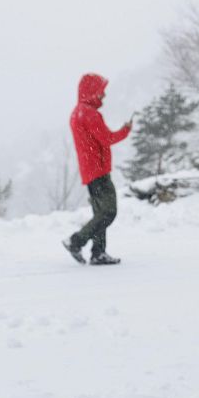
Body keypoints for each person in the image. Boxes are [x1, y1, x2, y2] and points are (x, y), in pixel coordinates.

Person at [63, 73, 132, 265]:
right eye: (101, 91)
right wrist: (125, 130)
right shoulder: (90, 114)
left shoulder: (77, 113)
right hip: (99, 171)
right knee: (109, 212)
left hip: (89, 171)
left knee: (100, 214)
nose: (104, 95)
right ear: (91, 91)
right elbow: (107, 139)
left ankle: (98, 253)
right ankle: (76, 241)